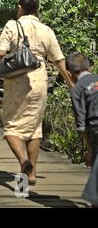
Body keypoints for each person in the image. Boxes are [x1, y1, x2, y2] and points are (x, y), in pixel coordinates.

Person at [0, 0, 73, 185]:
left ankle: (24, 162)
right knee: (34, 129)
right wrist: (70, 84)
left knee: (11, 127)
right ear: (38, 9)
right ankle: (29, 176)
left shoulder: (12, 25)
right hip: (40, 80)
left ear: (19, 8)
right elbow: (59, 60)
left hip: (17, 81)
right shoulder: (46, 30)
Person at [66, 52, 98, 207]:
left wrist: (88, 149)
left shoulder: (77, 89)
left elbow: (81, 121)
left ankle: (94, 197)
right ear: (90, 67)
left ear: (69, 74)